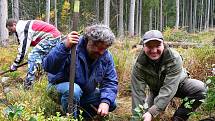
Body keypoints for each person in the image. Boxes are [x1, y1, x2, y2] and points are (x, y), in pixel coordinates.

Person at [42, 24, 118, 119]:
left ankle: (80, 116)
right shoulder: (72, 47)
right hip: (60, 88)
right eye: (99, 48)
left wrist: (105, 102)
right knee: (74, 90)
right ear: (89, 41)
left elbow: (110, 82)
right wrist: (64, 47)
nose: (101, 52)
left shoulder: (106, 56)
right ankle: (70, 118)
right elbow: (49, 67)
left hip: (84, 94)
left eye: (104, 49)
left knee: (111, 102)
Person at [131, 30, 207, 121]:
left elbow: (169, 89)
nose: (154, 50)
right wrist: (137, 116)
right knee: (144, 114)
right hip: (156, 91)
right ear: (143, 47)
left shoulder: (174, 58)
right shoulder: (139, 65)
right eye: (149, 46)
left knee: (201, 89)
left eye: (158, 46)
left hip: (180, 85)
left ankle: (178, 118)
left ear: (164, 44)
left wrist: (152, 112)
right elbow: (137, 93)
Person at [6, 19, 61, 89]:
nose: (10, 31)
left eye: (10, 29)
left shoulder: (21, 28)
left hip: (52, 37)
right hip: (54, 36)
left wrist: (15, 64)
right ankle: (42, 77)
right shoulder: (23, 25)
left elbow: (23, 50)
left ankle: (29, 84)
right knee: (39, 57)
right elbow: (23, 45)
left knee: (32, 55)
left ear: (14, 24)